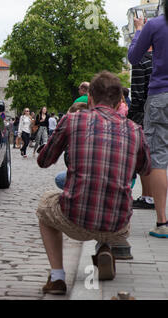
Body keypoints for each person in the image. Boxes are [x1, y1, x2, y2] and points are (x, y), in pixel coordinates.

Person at [36, 71, 151, 295]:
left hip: (75, 217)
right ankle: (105, 247)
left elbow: (44, 161)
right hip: (119, 223)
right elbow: (146, 169)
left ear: (89, 98)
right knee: (112, 198)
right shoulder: (135, 131)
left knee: (44, 206)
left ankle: (57, 278)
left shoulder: (73, 119)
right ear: (120, 101)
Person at [128, 5, 168, 238]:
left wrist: (139, 30)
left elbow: (134, 57)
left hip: (161, 94)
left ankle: (163, 222)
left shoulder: (155, 25)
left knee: (159, 157)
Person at [129, 48, 154, 210]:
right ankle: (149, 197)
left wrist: (130, 118)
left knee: (145, 156)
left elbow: (137, 94)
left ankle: (148, 197)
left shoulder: (141, 60)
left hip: (146, 113)